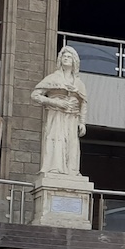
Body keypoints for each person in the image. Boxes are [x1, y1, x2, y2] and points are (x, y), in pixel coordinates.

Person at [30, 45, 88, 176]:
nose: (66, 59)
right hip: (56, 115)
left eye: (69, 57)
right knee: (56, 140)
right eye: (64, 56)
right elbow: (35, 95)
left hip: (72, 118)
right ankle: (54, 168)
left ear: (74, 61)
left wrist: (82, 122)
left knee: (71, 144)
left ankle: (72, 170)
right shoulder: (53, 78)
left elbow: (83, 102)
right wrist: (56, 102)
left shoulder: (79, 83)